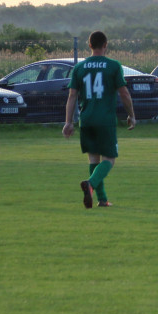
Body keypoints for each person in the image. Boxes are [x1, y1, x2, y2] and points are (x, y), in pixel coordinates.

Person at [62, 31, 136, 208]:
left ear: (89, 45)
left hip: (86, 119)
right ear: (106, 45)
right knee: (109, 159)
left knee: (94, 159)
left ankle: (102, 200)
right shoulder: (113, 66)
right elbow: (124, 93)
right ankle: (91, 184)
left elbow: (72, 96)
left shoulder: (79, 68)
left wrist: (68, 122)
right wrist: (131, 115)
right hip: (105, 120)